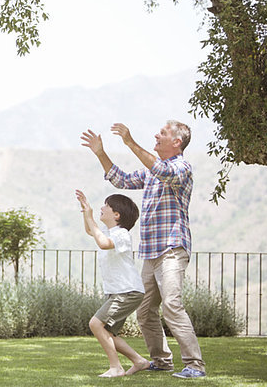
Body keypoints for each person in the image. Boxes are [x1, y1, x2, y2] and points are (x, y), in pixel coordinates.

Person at [80, 121, 206, 378]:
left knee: (172, 304)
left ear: (177, 142)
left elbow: (162, 170)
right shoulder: (150, 173)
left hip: (172, 249)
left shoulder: (181, 167)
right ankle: (161, 360)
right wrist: (100, 153)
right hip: (150, 253)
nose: (157, 135)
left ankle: (194, 365)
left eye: (163, 133)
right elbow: (121, 179)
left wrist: (129, 142)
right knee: (145, 311)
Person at [75, 189, 149, 378]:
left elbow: (103, 243)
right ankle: (139, 361)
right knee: (107, 331)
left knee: (95, 324)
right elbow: (90, 231)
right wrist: (86, 212)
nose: (102, 208)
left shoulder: (122, 234)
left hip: (127, 291)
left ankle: (116, 367)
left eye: (106, 206)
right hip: (119, 292)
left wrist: (91, 216)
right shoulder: (110, 232)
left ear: (117, 214)